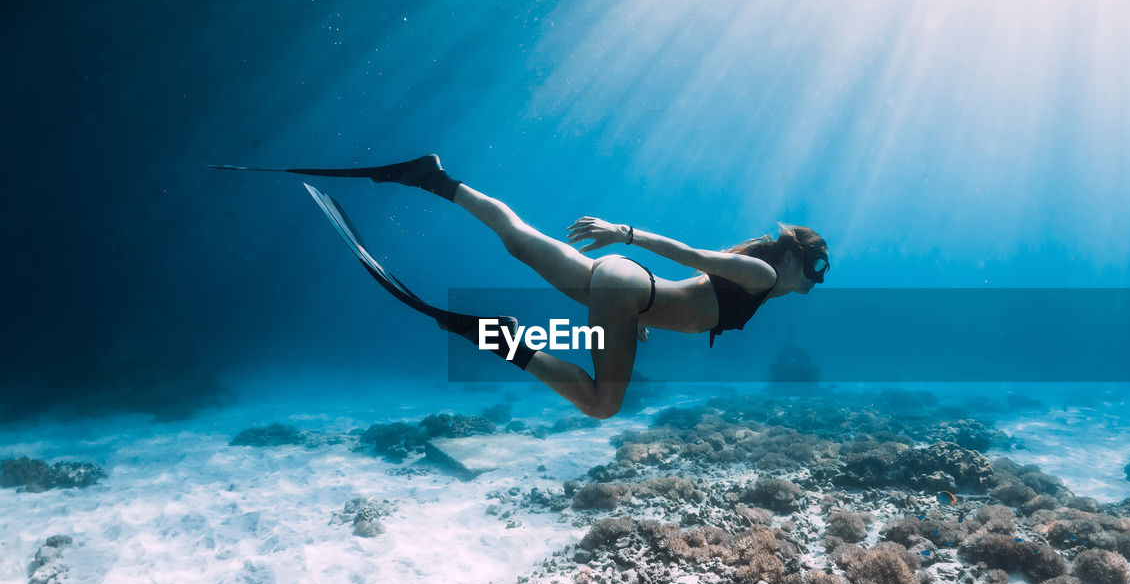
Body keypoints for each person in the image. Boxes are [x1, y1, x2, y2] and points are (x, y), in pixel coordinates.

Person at [295, 154, 829, 419]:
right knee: (603, 405)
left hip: (625, 290)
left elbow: (687, 295)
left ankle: (434, 178)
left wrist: (636, 316)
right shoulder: (761, 276)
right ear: (788, 258)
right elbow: (693, 257)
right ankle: (502, 339)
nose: (817, 278)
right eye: (815, 266)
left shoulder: (758, 278)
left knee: (518, 238)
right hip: (628, 290)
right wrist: (626, 233)